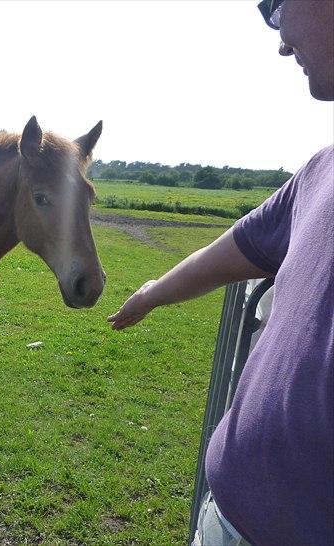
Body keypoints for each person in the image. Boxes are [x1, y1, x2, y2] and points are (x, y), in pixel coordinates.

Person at [107, 1, 333, 544]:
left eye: (275, 8)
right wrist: (152, 294)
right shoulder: (321, 171)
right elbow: (241, 245)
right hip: (224, 516)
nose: (279, 42)